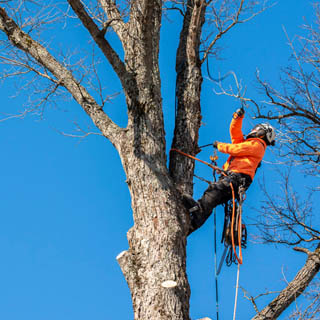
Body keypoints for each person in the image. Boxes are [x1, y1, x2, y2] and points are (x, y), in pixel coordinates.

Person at [183, 107, 275, 234]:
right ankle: (192, 225)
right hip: (233, 177)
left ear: (262, 133)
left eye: (257, 129)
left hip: (237, 178)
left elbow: (236, 149)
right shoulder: (248, 143)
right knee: (213, 198)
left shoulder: (258, 145)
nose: (253, 130)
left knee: (213, 192)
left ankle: (198, 212)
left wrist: (220, 146)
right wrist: (238, 117)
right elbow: (235, 132)